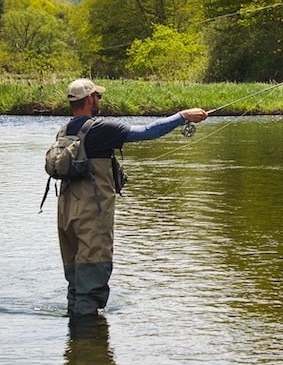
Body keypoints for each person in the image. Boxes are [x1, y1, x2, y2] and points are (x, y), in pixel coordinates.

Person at [54, 77, 207, 319]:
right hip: (91, 215)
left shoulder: (65, 130)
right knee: (91, 282)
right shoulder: (100, 129)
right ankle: (88, 344)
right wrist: (182, 116)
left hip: (66, 214)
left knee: (75, 284)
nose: (99, 101)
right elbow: (147, 132)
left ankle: (76, 349)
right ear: (90, 99)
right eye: (98, 97)